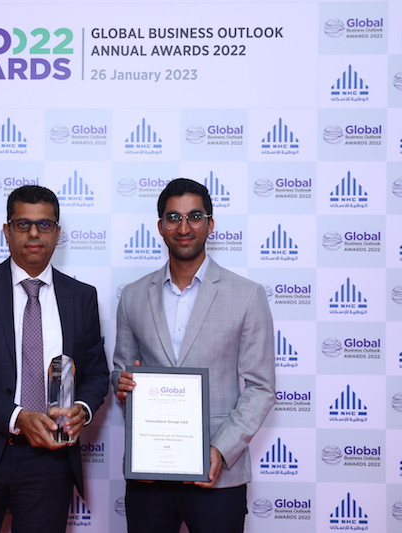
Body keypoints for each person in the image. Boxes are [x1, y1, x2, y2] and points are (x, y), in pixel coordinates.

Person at [0, 185, 110, 532]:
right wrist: (17, 417)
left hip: (51, 461)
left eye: (44, 225)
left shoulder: (81, 297)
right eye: (22, 224)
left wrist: (83, 409)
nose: (33, 233)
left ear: (57, 233)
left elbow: (96, 374)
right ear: (6, 231)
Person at [113, 178, 275, 533]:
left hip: (218, 475)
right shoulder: (133, 296)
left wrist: (220, 450)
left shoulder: (247, 295)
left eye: (195, 216)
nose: (184, 227)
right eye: (173, 217)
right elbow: (121, 372)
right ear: (160, 226)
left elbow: (261, 387)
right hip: (149, 475)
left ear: (210, 224)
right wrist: (122, 385)